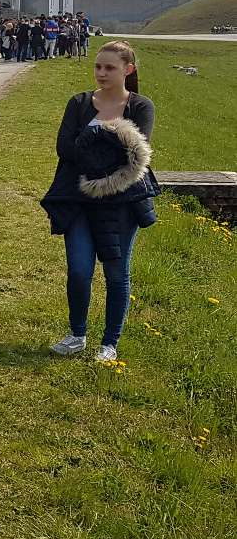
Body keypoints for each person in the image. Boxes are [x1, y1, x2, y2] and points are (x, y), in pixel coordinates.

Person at [42, 42, 158, 361]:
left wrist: (92, 148)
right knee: (79, 269)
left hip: (122, 202)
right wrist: (104, 150)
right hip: (79, 199)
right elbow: (65, 148)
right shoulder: (79, 103)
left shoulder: (140, 106)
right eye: (98, 67)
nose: (102, 73)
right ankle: (77, 334)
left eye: (110, 67)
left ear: (128, 70)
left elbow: (135, 152)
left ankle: (109, 343)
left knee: (116, 273)